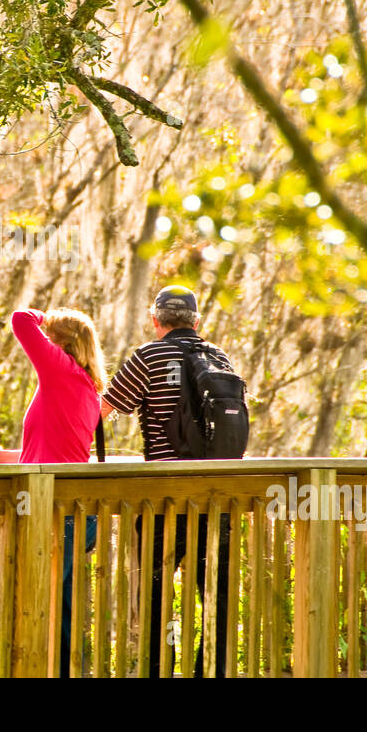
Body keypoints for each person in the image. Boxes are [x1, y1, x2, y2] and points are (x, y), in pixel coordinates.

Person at [101, 285, 236, 677]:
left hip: (164, 497)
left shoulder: (149, 355)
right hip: (216, 496)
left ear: (155, 319)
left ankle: (161, 667)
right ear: (197, 322)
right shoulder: (219, 358)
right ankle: (210, 669)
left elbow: (103, 409)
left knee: (157, 591)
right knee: (215, 593)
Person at [0, 307, 104, 676]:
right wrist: (4, 457)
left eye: (49, 338)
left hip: (57, 510)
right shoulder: (83, 384)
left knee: (38, 601)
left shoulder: (61, 371)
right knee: (57, 606)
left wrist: (45, 316)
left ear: (58, 343)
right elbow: (57, 447)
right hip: (69, 509)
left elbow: (20, 319)